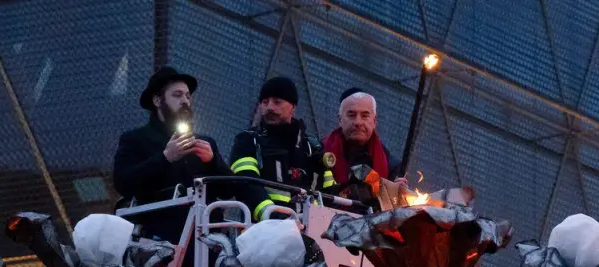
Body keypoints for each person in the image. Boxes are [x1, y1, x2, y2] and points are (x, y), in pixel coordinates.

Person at [112, 66, 226, 242]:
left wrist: (213, 162)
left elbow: (229, 190)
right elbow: (122, 182)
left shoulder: (206, 143)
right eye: (177, 95)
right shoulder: (136, 139)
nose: (185, 101)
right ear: (157, 100)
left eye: (188, 96)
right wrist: (165, 158)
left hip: (207, 242)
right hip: (161, 244)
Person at [228, 76, 334, 221]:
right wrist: (272, 215)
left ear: (293, 108)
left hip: (308, 232)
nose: (269, 107)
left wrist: (318, 222)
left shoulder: (312, 147)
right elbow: (246, 184)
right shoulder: (248, 141)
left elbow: (329, 193)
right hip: (262, 232)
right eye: (265, 102)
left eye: (277, 102)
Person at [322, 88, 410, 211]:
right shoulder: (318, 152)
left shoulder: (391, 165)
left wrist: (397, 197)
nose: (358, 122)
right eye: (351, 115)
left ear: (374, 121)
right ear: (340, 120)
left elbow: (392, 214)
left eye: (365, 115)